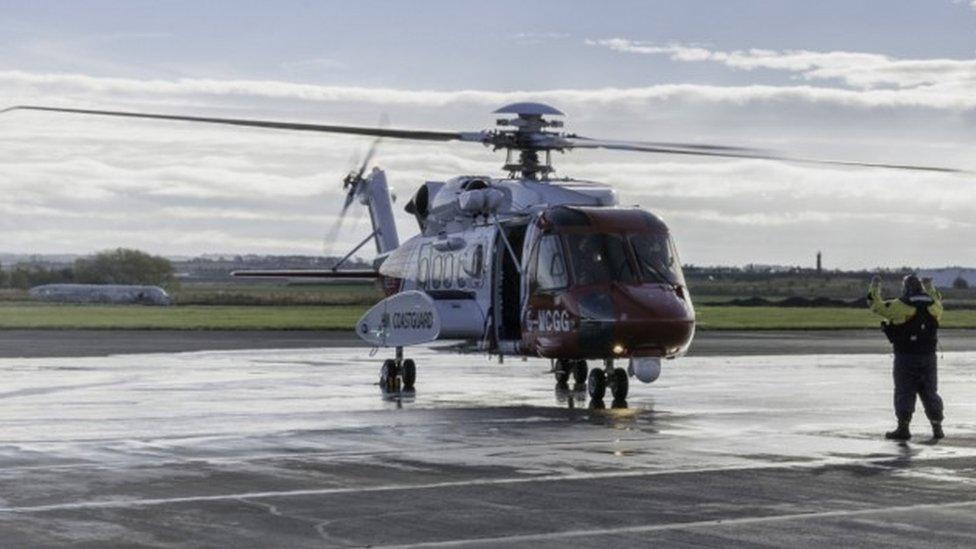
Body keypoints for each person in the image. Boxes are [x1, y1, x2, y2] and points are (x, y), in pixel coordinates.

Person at [868, 274, 945, 441]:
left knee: (904, 391)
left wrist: (874, 286)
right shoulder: (935, 306)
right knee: (930, 391)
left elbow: (875, 305)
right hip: (929, 357)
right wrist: (930, 286)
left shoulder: (900, 305)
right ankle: (937, 427)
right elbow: (937, 299)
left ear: (906, 288)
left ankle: (903, 428)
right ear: (921, 287)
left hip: (906, 357)